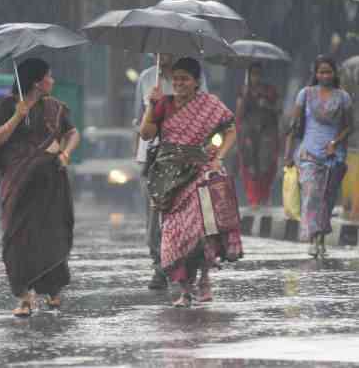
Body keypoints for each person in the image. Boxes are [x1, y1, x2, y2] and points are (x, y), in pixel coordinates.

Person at [139, 57, 242, 307]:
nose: (179, 83)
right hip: (169, 179)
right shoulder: (163, 103)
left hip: (199, 174)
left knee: (201, 232)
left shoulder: (210, 105)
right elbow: (145, 134)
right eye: (175, 79)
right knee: (174, 235)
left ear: (197, 82)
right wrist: (151, 107)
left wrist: (219, 158)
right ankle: (184, 290)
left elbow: (231, 130)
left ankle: (205, 279)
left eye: (185, 79)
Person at [0, 58, 80, 317]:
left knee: (51, 234)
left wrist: (65, 154)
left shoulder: (55, 107)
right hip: (18, 184)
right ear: (37, 82)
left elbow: (73, 133)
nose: (53, 81)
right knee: (16, 239)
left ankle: (52, 291)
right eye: (49, 76)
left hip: (51, 184)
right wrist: (18, 116)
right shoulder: (8, 106)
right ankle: (25, 296)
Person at [132, 53, 208, 290]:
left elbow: (208, 115)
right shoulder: (146, 79)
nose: (162, 55)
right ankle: (159, 266)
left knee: (187, 215)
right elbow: (140, 125)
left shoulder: (192, 78)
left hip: (188, 158)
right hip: (153, 158)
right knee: (155, 217)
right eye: (158, 51)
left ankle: (188, 265)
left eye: (167, 51)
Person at [284, 55, 354, 258]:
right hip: (308, 154)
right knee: (311, 195)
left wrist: (336, 142)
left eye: (328, 71)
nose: (325, 75)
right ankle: (313, 238)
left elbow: (350, 126)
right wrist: (288, 154)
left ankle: (321, 238)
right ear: (315, 74)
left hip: (334, 156)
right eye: (321, 72)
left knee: (326, 198)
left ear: (335, 74)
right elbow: (294, 126)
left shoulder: (343, 97)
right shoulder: (304, 94)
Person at [235, 63, 280, 208]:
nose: (256, 77)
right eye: (252, 74)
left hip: (266, 133)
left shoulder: (270, 91)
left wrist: (266, 105)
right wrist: (245, 96)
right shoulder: (243, 90)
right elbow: (239, 114)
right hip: (249, 133)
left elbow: (279, 110)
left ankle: (264, 197)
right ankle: (253, 199)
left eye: (258, 74)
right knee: (250, 167)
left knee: (265, 166)